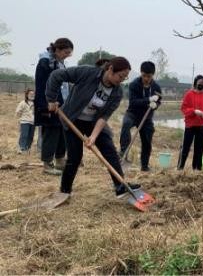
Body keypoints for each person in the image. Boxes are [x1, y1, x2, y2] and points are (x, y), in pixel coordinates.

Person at [45, 57, 140, 197]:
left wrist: (93, 137)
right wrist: (52, 99)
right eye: (120, 76)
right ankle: (65, 190)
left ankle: (120, 186)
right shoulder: (87, 73)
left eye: (124, 78)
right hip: (72, 118)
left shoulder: (117, 92)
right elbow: (56, 75)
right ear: (110, 69)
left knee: (109, 151)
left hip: (94, 122)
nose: (121, 80)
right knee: (75, 157)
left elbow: (104, 117)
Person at [34, 38, 73, 175]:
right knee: (52, 132)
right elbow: (43, 85)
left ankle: (60, 160)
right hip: (49, 103)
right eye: (66, 52)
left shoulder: (60, 63)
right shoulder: (45, 62)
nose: (67, 55)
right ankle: (47, 163)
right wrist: (48, 103)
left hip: (61, 104)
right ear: (57, 50)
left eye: (69, 53)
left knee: (62, 131)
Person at [119, 61, 162, 172]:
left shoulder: (156, 87)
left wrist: (155, 105)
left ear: (153, 75)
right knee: (126, 124)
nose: (146, 78)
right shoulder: (134, 84)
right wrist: (148, 100)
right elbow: (133, 102)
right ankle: (124, 152)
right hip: (133, 113)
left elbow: (159, 101)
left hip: (147, 117)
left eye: (149, 76)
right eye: (144, 75)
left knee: (147, 140)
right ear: (141, 73)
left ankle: (144, 166)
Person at [178, 75, 203, 171]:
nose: (201, 85)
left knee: (199, 148)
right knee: (186, 147)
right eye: (199, 83)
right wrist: (194, 111)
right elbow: (184, 108)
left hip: (201, 125)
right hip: (190, 125)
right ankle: (180, 167)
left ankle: (197, 168)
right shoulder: (189, 94)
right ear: (195, 83)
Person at [16, 89, 35, 153]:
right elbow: (18, 112)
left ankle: (27, 148)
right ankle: (21, 148)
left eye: (33, 94)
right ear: (27, 95)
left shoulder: (35, 103)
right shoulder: (23, 103)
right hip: (25, 121)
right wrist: (20, 119)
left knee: (31, 136)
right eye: (30, 94)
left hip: (33, 122)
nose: (32, 95)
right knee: (24, 135)